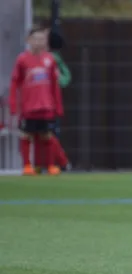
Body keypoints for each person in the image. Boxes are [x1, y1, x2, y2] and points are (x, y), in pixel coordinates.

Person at [9, 25, 63, 176]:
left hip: (46, 106)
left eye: (41, 39)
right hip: (28, 107)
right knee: (27, 135)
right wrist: (13, 104)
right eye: (36, 39)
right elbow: (15, 83)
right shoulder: (22, 60)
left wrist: (58, 106)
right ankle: (27, 166)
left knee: (47, 135)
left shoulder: (49, 59)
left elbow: (54, 85)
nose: (39, 42)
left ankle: (50, 166)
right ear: (28, 40)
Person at [34, 28, 71, 173]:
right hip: (37, 100)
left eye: (44, 35)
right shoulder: (36, 56)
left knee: (45, 132)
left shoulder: (52, 58)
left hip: (46, 101)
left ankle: (60, 162)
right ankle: (45, 163)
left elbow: (65, 77)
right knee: (39, 132)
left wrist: (57, 81)